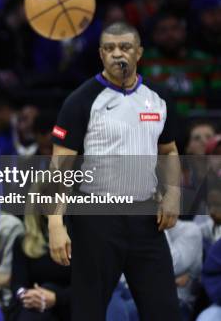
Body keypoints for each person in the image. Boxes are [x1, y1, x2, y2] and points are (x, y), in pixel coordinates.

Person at [47, 22, 181, 320]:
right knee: (89, 311)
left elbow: (169, 151)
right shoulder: (80, 100)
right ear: (100, 54)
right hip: (96, 219)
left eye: (125, 47)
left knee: (165, 310)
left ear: (139, 52)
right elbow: (61, 165)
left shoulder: (159, 97)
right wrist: (56, 223)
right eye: (109, 48)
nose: (117, 54)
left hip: (146, 217)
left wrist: (173, 194)